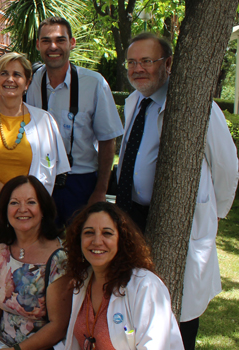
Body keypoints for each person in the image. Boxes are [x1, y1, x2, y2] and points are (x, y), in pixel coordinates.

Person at [115, 32, 239, 350]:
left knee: (178, 310)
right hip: (133, 218)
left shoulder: (197, 109)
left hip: (177, 223)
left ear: (168, 63)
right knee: (135, 303)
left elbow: (226, 167)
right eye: (132, 62)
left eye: (147, 61)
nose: (138, 68)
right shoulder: (134, 102)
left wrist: (215, 212)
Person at [0, 52, 69, 259]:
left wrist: (18, 203)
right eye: (3, 73)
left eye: (17, 74)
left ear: (27, 82)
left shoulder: (44, 120)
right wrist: (10, 195)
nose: (10, 79)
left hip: (24, 215)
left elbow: (53, 172)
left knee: (17, 282)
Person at [25, 17, 123, 227]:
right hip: (42, 180)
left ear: (72, 43)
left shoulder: (94, 84)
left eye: (60, 40)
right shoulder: (31, 82)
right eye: (46, 40)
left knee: (78, 248)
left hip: (81, 181)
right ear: (38, 45)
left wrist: (100, 190)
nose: (53, 47)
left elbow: (108, 140)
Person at [0, 175, 71, 349]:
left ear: (43, 209)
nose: (23, 209)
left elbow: (58, 327)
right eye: (14, 203)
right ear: (5, 210)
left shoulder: (58, 258)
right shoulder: (3, 247)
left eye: (31, 202)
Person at [62, 202, 183, 349]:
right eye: (89, 232)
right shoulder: (82, 282)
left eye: (107, 233)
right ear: (78, 240)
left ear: (122, 240)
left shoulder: (145, 286)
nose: (97, 241)